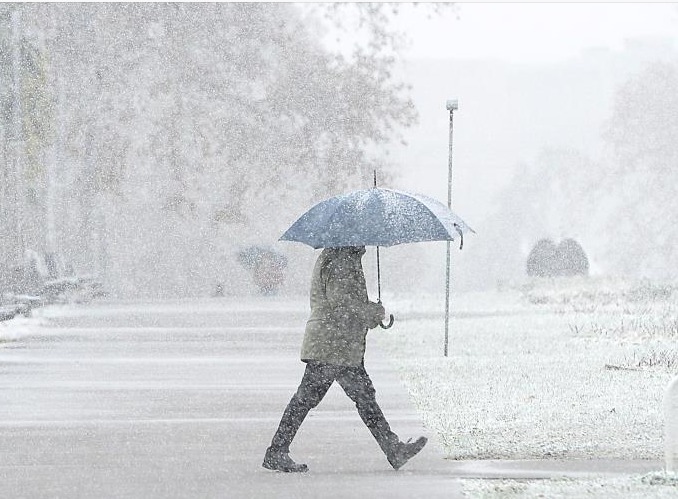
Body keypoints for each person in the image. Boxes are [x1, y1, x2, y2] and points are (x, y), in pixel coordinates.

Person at [262, 246, 427, 473]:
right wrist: (371, 313)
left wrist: (369, 311)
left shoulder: (344, 257)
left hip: (340, 346)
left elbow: (346, 302)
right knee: (308, 398)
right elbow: (342, 305)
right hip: (331, 345)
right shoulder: (340, 260)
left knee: (362, 396)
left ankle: (393, 448)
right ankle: (276, 451)